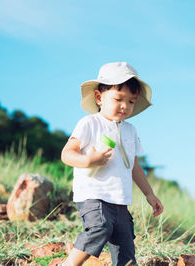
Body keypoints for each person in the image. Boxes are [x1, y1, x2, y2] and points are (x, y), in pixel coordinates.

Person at [60, 62, 164, 266]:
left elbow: (133, 165)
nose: (125, 106)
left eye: (131, 101)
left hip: (120, 200)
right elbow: (67, 154)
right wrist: (88, 160)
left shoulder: (130, 130)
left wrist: (149, 194)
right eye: (118, 99)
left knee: (126, 246)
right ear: (99, 98)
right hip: (94, 195)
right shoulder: (89, 123)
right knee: (100, 228)